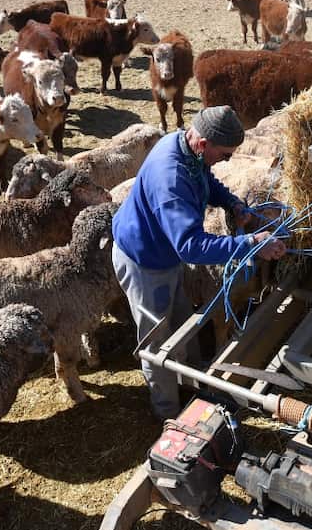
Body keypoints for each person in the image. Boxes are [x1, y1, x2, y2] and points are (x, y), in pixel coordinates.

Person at [112, 106, 286, 420]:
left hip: (163, 255)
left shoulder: (185, 147)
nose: (227, 160)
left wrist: (230, 202)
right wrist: (249, 245)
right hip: (144, 262)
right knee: (156, 341)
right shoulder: (171, 178)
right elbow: (190, 246)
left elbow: (205, 179)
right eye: (225, 155)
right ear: (204, 144)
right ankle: (168, 411)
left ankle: (192, 384)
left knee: (182, 322)